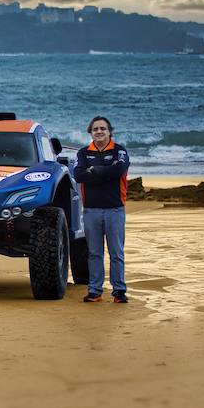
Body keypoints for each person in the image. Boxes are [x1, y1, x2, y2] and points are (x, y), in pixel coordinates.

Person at [74, 115, 131, 304]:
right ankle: (95, 291)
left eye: (103, 129)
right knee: (94, 253)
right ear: (90, 132)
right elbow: (79, 175)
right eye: (95, 129)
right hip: (91, 211)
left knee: (116, 253)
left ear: (109, 131)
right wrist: (103, 170)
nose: (99, 132)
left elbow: (119, 171)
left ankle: (119, 291)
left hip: (115, 210)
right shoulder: (83, 153)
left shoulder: (119, 151)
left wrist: (94, 170)